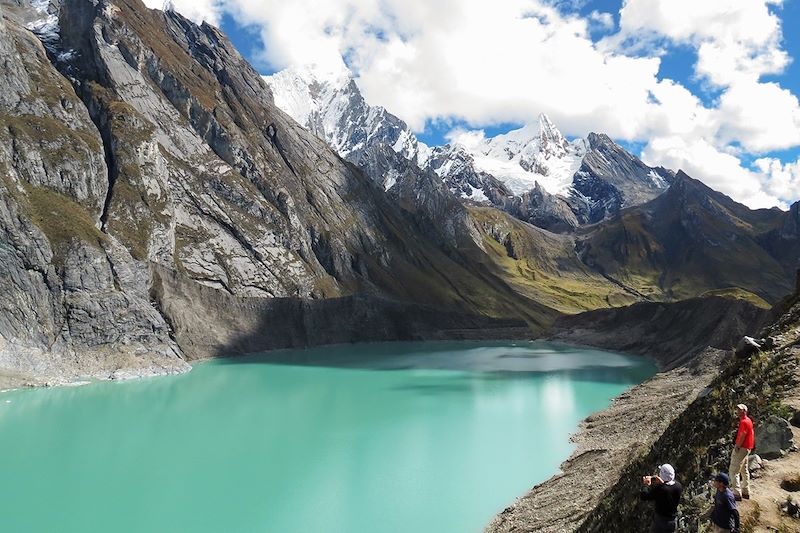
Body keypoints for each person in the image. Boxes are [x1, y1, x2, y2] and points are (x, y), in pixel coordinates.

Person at [640, 464, 683, 532]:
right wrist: (662, 482)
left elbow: (644, 496)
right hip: (672, 520)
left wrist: (646, 485)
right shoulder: (678, 486)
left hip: (660, 522)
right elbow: (668, 490)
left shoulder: (660, 489)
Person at [729, 403, 754, 500]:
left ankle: (736, 493)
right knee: (744, 469)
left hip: (742, 447)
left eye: (741, 410)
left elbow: (743, 435)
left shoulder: (744, 422)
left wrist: (737, 446)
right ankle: (745, 491)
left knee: (733, 470)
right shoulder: (748, 420)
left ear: (745, 411)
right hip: (747, 447)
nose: (738, 411)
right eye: (738, 410)